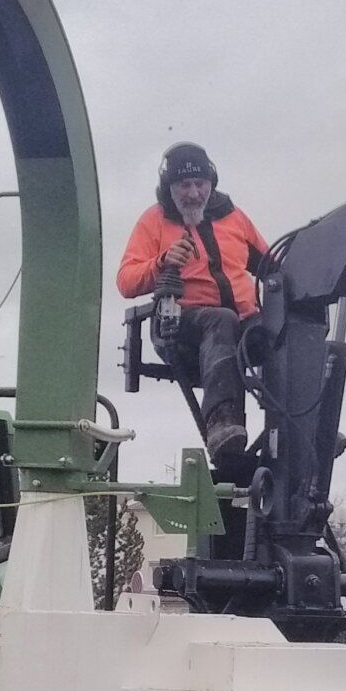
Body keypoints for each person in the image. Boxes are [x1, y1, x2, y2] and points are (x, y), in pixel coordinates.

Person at [117, 142, 271, 458]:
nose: (193, 193)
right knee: (221, 319)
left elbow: (271, 266)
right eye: (184, 185)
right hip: (184, 326)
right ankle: (222, 424)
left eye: (200, 183)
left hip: (243, 325)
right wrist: (161, 262)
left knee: (284, 329)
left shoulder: (234, 217)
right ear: (169, 188)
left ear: (211, 183)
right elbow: (126, 281)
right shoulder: (154, 221)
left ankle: (302, 424)